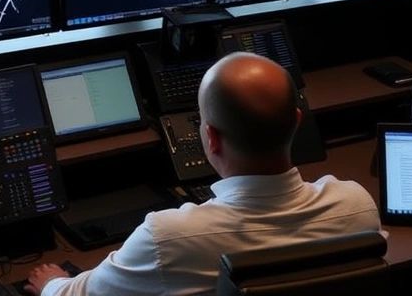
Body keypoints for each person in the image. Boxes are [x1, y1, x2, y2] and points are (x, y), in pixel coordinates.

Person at [25, 51, 380, 296]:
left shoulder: (168, 237)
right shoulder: (356, 204)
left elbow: (79, 293)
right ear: (297, 122)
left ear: (210, 137)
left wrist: (53, 283)